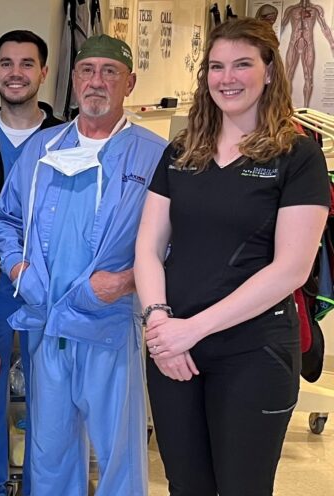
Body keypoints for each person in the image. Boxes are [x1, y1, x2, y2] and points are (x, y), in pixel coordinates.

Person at [134, 18, 330, 495]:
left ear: (269, 72)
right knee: (185, 484)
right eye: (216, 66)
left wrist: (190, 330)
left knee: (243, 486)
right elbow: (147, 246)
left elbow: (291, 269)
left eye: (242, 64)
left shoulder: (297, 156)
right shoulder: (182, 151)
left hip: (253, 352)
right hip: (174, 347)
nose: (227, 78)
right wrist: (160, 323)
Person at [0, 34, 166, 496]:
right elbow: (4, 220)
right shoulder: (43, 148)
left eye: (110, 72)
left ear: (129, 82)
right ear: (72, 79)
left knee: (117, 456)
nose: (97, 82)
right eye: (88, 71)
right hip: (47, 326)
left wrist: (127, 281)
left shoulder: (154, 154)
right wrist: (17, 270)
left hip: (107, 325)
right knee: (48, 453)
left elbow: (176, 241)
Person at [0, 30, 62, 496]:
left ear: (43, 72)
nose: (16, 73)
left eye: (27, 63)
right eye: (6, 63)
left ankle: (41, 488)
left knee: (50, 397)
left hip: (52, 290)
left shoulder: (70, 138)